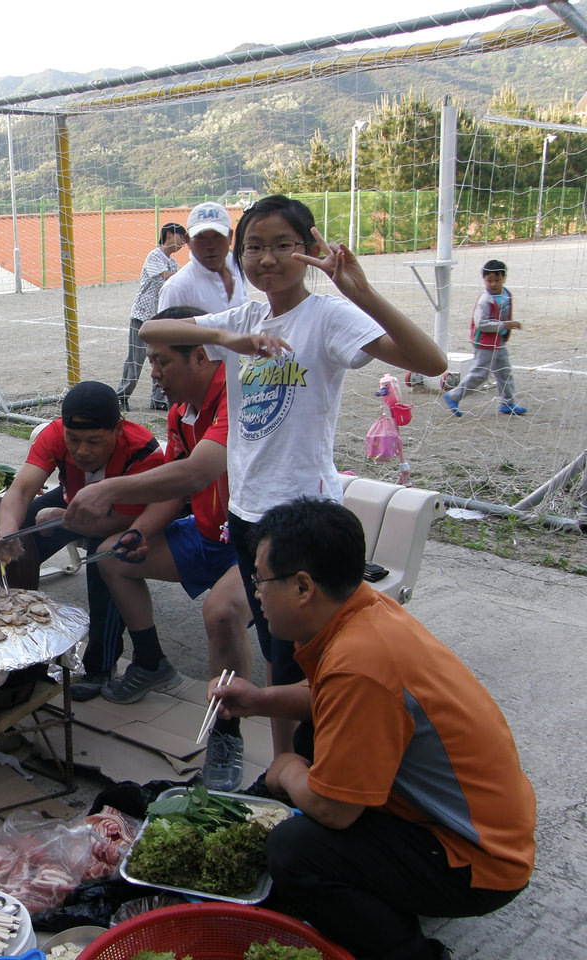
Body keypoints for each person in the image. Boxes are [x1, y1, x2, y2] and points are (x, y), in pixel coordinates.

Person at [141, 194, 447, 753]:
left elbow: (432, 362)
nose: (267, 259)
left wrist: (363, 293)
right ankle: (283, 765)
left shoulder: (328, 316)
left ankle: (305, 763)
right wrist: (227, 338)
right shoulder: (245, 316)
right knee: (278, 650)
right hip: (248, 512)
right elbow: (149, 334)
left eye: (284, 245)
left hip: (303, 516)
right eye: (254, 247)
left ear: (310, 250)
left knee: (301, 656)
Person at [209, 498, 534, 960]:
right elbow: (330, 700)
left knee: (294, 849)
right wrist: (260, 700)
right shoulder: (364, 611)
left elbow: (334, 810)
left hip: (480, 860)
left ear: (303, 587)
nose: (255, 593)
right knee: (311, 738)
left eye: (260, 580)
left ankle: (408, 951)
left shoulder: (360, 663)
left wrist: (284, 770)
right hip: (483, 825)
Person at [64, 308, 250, 789]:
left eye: (162, 361)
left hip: (250, 542)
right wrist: (141, 530)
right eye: (151, 361)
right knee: (114, 556)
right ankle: (151, 663)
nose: (154, 372)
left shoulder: (237, 394)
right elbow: (175, 492)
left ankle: (226, 734)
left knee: (222, 612)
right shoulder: (179, 413)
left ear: (202, 356)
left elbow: (198, 471)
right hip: (209, 537)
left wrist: (110, 490)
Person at [0, 380, 167, 701]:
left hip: (122, 516)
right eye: (74, 439)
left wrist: (66, 521)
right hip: (73, 502)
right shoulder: (54, 434)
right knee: (20, 530)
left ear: (118, 429)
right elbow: (22, 489)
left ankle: (100, 666)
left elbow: (129, 520)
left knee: (104, 558)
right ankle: (10, 634)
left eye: (95, 441)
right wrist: (5, 531)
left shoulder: (144, 451)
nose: (82, 451)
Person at [116, 222, 187, 411]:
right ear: (169, 235)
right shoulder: (154, 255)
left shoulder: (173, 262)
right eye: (180, 237)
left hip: (160, 318)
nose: (182, 243)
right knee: (136, 358)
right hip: (142, 315)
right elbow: (168, 277)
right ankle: (121, 395)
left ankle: (158, 398)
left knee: (161, 357)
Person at [442, 259, 526, 416]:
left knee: (504, 372)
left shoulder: (506, 294)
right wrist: (504, 325)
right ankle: (453, 396)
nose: (493, 284)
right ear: (484, 280)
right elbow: (481, 323)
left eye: (497, 280)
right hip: (485, 343)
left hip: (498, 341)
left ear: (504, 278)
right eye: (489, 281)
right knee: (480, 374)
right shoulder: (485, 300)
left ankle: (507, 403)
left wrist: (507, 327)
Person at [155, 202, 247, 319]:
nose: (210, 245)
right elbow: (164, 333)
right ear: (188, 240)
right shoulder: (177, 288)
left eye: (217, 236)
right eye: (201, 237)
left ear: (230, 237)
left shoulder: (238, 270)